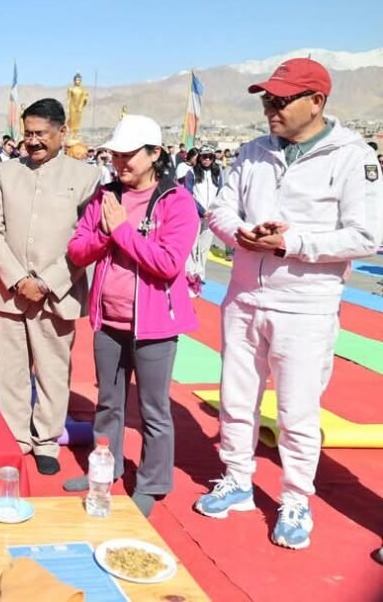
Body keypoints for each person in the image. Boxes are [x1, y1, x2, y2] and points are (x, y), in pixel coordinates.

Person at [194, 58, 383, 549]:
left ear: (316, 101)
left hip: (305, 304)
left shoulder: (351, 157)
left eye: (281, 100)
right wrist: (241, 233)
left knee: (298, 412)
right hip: (243, 295)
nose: (270, 109)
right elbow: (218, 208)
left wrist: (291, 243)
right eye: (266, 100)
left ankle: (296, 498)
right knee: (236, 398)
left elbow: (366, 235)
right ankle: (236, 478)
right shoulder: (253, 152)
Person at [61, 115, 199, 517]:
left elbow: (167, 262)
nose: (120, 163)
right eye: (115, 155)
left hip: (155, 326)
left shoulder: (177, 202)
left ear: (155, 153)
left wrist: (121, 231)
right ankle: (106, 469)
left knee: (154, 409)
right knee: (108, 403)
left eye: (129, 156)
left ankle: (153, 483)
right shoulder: (106, 196)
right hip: (109, 321)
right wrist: (106, 234)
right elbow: (78, 249)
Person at [0, 99, 99, 475]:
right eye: (27, 133)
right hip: (10, 291)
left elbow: (87, 242)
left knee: (52, 371)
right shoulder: (6, 172)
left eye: (41, 134)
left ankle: (46, 440)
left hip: (58, 294)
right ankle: (16, 437)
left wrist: (47, 283)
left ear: (62, 133)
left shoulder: (86, 178)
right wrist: (18, 279)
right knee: (12, 371)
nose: (32, 142)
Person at [183, 145, 223, 294]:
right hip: (195, 214)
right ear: (199, 157)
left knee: (204, 246)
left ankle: (199, 275)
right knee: (193, 245)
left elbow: (221, 192)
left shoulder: (217, 173)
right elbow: (188, 194)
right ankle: (189, 274)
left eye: (210, 157)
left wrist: (213, 210)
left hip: (210, 215)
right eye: (204, 156)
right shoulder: (191, 173)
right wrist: (201, 210)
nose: (207, 160)